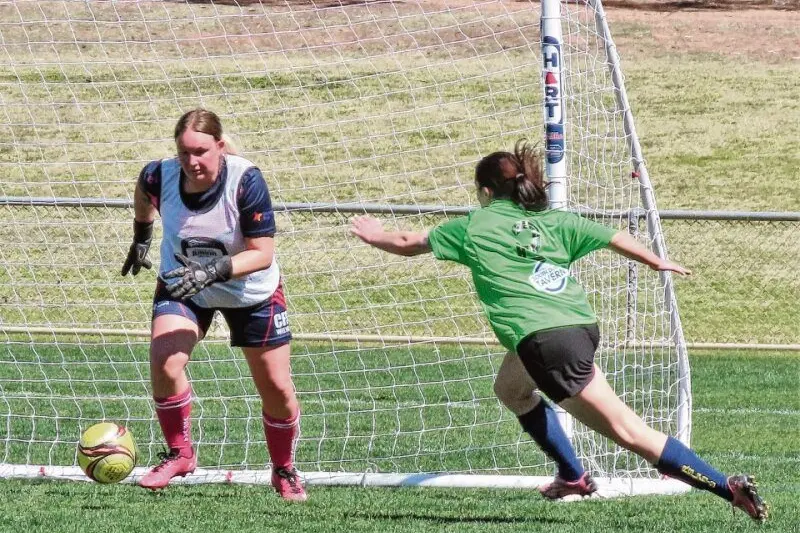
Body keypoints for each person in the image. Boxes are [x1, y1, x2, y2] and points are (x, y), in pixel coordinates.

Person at [350, 140, 768, 522]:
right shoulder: (555, 221)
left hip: (546, 343)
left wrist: (374, 235)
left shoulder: (474, 225)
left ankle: (726, 487)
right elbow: (614, 236)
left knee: (629, 432)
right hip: (576, 327)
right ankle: (572, 475)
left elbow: (408, 241)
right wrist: (655, 261)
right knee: (510, 389)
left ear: (486, 192)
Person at [121, 108, 306, 501]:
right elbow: (143, 190)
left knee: (276, 387)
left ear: (220, 146)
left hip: (251, 292)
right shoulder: (159, 175)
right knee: (165, 361)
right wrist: (142, 235)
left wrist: (214, 270)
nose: (192, 161)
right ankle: (180, 454)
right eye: (184, 152)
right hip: (185, 284)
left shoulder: (246, 180)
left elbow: (263, 253)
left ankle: (284, 469)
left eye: (201, 151)